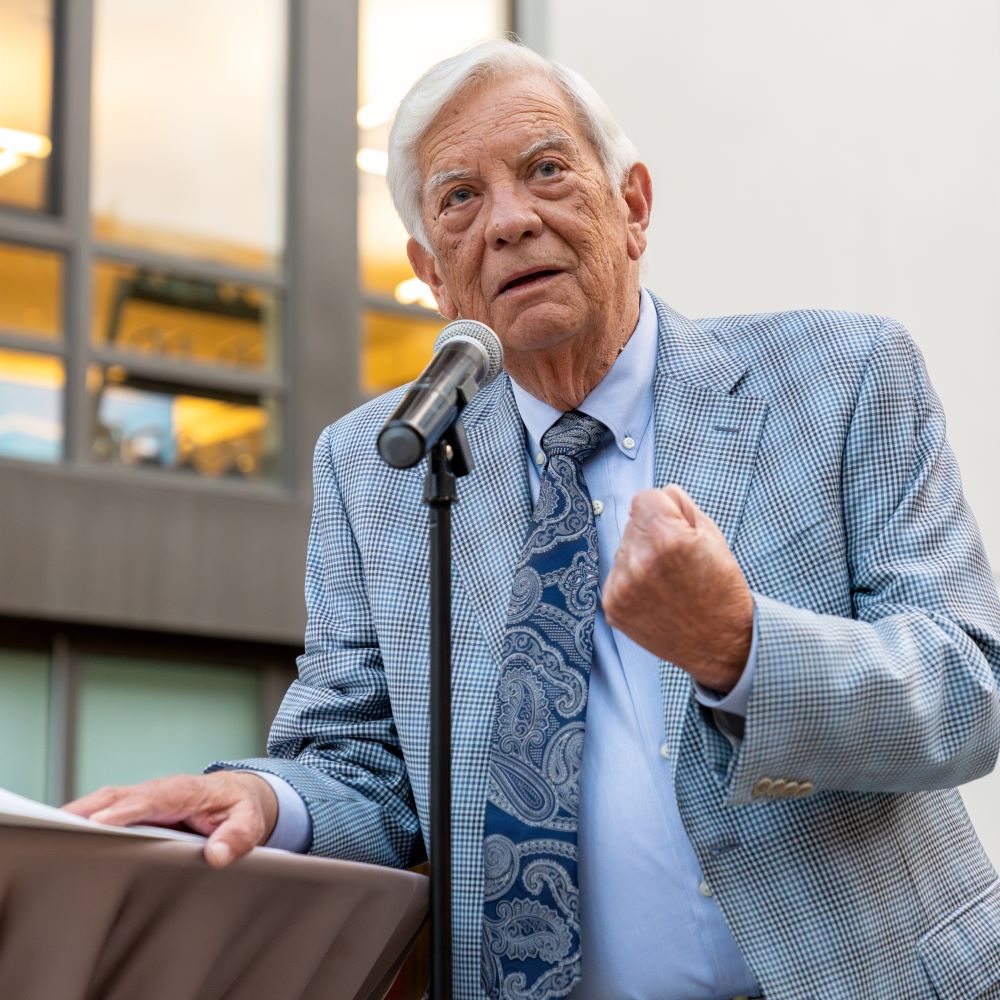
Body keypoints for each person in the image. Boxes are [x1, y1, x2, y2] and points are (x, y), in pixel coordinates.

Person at [65, 40, 1000, 1000]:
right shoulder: (380, 463)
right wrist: (268, 797)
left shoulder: (843, 379)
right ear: (432, 273)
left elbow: (971, 689)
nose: (509, 221)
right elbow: (365, 760)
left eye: (546, 170)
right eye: (459, 198)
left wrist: (740, 647)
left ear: (633, 205)